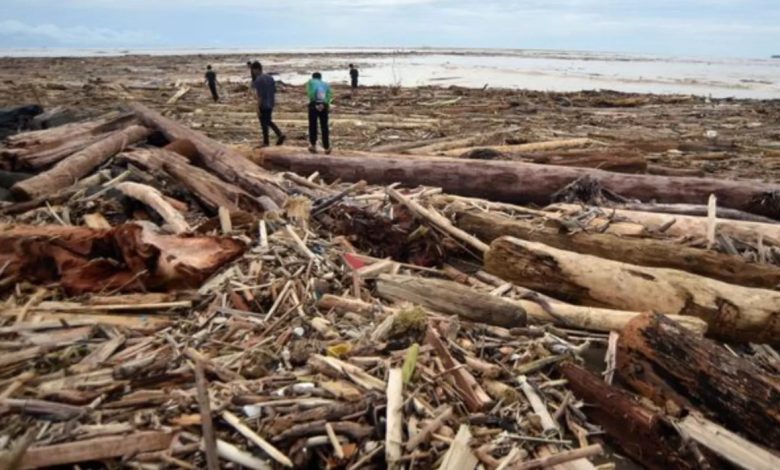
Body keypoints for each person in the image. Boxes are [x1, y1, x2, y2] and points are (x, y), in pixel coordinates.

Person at [251, 61, 286, 147]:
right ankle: (278, 135)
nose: (253, 72)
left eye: (253, 70)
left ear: (256, 69)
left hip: (263, 104)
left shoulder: (258, 80)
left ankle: (267, 141)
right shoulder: (270, 78)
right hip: (271, 102)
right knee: (268, 121)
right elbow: (274, 91)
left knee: (264, 123)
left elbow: (260, 95)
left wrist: (257, 107)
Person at [306, 72, 333, 154]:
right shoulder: (326, 84)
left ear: (313, 77)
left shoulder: (311, 82)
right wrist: (325, 103)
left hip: (314, 104)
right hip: (324, 105)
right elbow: (330, 94)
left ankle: (313, 145)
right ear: (321, 77)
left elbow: (310, 93)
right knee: (324, 126)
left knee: (313, 125)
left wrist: (314, 101)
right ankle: (327, 147)